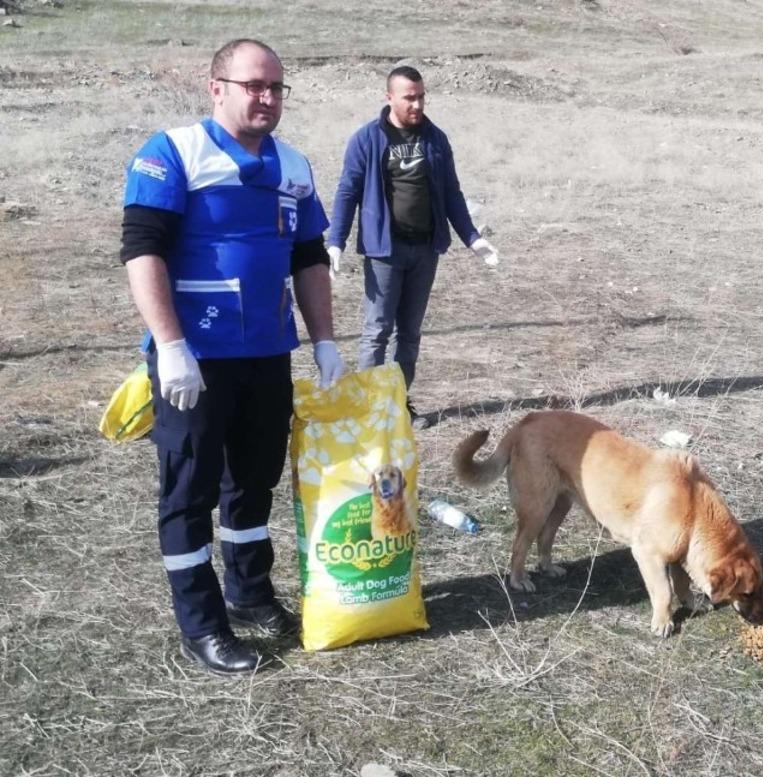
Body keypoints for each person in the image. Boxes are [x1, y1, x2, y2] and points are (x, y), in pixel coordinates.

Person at [120, 39, 347, 675]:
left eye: (277, 87)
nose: (267, 98)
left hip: (266, 354)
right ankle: (202, 623)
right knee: (188, 492)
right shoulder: (170, 153)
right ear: (215, 86)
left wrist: (324, 338)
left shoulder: (294, 165)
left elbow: (308, 256)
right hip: (193, 362)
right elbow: (143, 251)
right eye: (254, 85)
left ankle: (249, 594)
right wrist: (169, 345)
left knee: (252, 483)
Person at [326, 65, 497, 429]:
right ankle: (366, 409)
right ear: (389, 97)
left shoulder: (435, 139)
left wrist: (473, 237)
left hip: (424, 251)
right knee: (377, 330)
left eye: (421, 96)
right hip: (384, 251)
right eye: (409, 97)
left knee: (410, 334)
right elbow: (347, 191)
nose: (417, 104)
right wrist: (335, 241)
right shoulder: (367, 139)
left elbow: (452, 193)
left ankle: (397, 405)